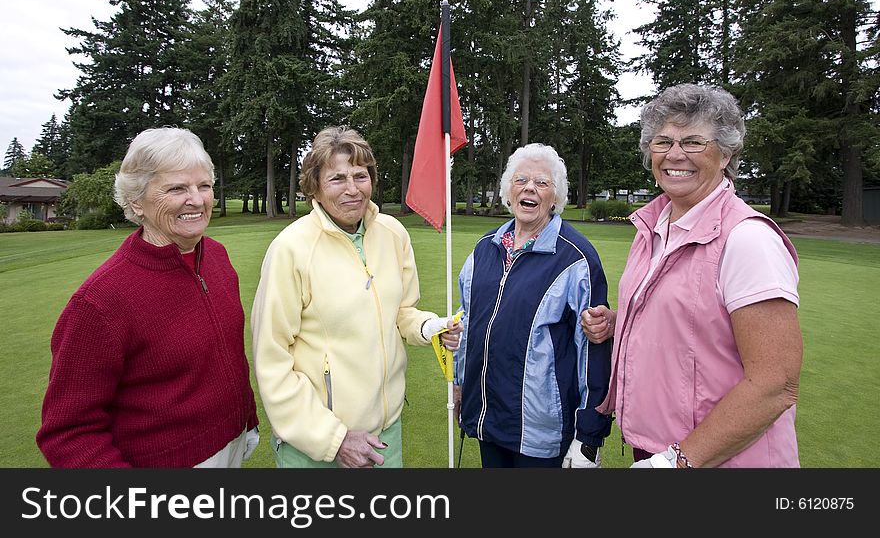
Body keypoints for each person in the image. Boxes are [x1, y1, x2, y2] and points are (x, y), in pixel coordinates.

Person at [584, 83, 802, 468]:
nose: (675, 155)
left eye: (694, 142)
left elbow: (775, 384)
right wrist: (620, 321)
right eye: (662, 141)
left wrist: (677, 461)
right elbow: (691, 322)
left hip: (713, 460)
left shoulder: (748, 239)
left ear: (726, 154)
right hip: (656, 448)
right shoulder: (653, 228)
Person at [37, 127, 259, 467]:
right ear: (135, 202)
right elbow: (68, 432)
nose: (197, 200)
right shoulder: (100, 301)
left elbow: (226, 357)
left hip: (233, 444)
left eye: (204, 186)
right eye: (177, 188)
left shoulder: (216, 256)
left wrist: (247, 418)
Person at [250, 126, 461, 468]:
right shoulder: (290, 248)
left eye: (360, 176)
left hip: (385, 435)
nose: (352, 190)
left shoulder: (393, 233)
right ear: (314, 187)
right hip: (316, 446)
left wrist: (429, 326)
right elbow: (271, 361)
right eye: (337, 179)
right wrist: (333, 440)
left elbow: (403, 311)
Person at [453, 143, 611, 468]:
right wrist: (460, 384)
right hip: (487, 417)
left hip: (541, 431)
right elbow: (468, 325)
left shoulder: (577, 259)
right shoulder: (484, 249)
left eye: (542, 183)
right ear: (508, 192)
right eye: (521, 179)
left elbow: (591, 351)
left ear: (556, 197)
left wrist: (590, 434)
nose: (530, 188)